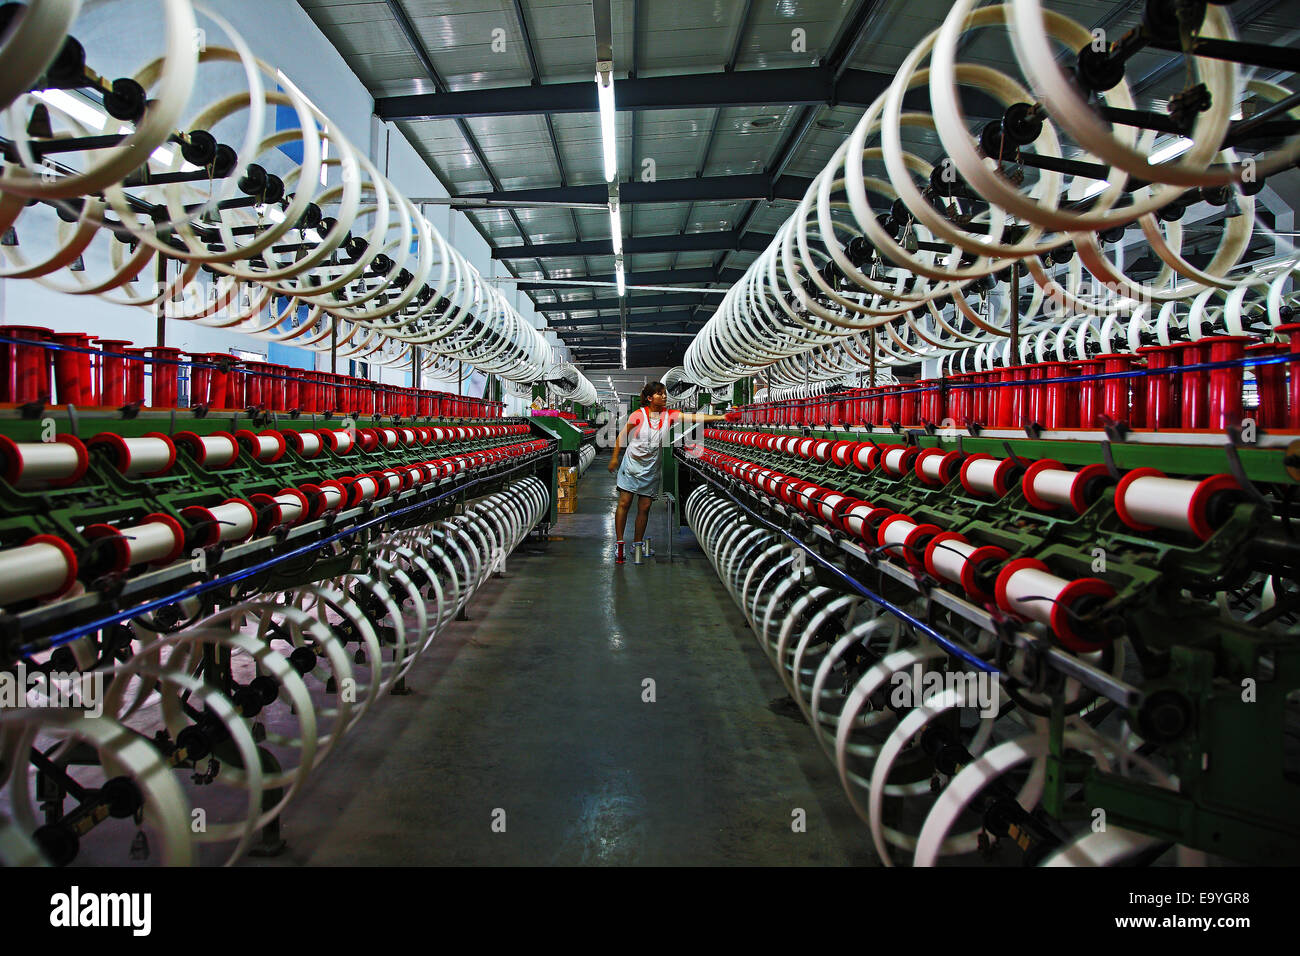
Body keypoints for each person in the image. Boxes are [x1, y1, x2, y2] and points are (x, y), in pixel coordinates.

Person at [607, 381, 728, 564]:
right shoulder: (638, 415)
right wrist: (615, 458)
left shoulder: (669, 415)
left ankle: (637, 544)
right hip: (632, 465)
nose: (664, 396)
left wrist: (722, 418)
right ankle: (620, 543)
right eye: (659, 394)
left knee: (645, 507)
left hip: (651, 467)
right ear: (649, 398)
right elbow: (621, 436)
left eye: (664, 393)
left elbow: (694, 418)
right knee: (625, 502)